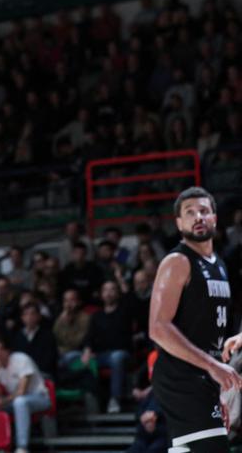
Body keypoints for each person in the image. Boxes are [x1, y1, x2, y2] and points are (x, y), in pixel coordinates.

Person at [151, 187, 242, 453]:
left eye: (204, 211)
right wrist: (213, 367)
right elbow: (158, 328)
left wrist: (216, 383)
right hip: (182, 377)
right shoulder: (177, 261)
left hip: (206, 378)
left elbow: (210, 331)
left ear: (215, 217)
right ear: (179, 223)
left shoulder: (219, 265)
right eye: (189, 213)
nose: (198, 217)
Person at [0, 337, 52, 453]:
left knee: (20, 402)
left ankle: (22, 447)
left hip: (39, 397)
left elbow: (21, 391)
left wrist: (3, 401)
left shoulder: (22, 359)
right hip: (13, 400)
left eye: (1, 349)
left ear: (8, 351)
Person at [81, 280, 133, 413]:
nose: (108, 293)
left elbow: (131, 300)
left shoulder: (125, 311)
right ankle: (90, 399)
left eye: (112, 289)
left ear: (118, 293)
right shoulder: (96, 316)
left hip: (121, 353)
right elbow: (89, 337)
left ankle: (115, 399)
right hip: (101, 355)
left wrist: (122, 283)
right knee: (72, 357)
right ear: (101, 294)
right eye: (105, 290)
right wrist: (87, 351)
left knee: (116, 357)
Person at [11, 303, 58, 378]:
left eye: (33, 314)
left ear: (39, 316)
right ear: (22, 318)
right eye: (26, 314)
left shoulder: (47, 335)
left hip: (42, 374)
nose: (29, 317)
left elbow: (50, 359)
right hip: (23, 374)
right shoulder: (17, 336)